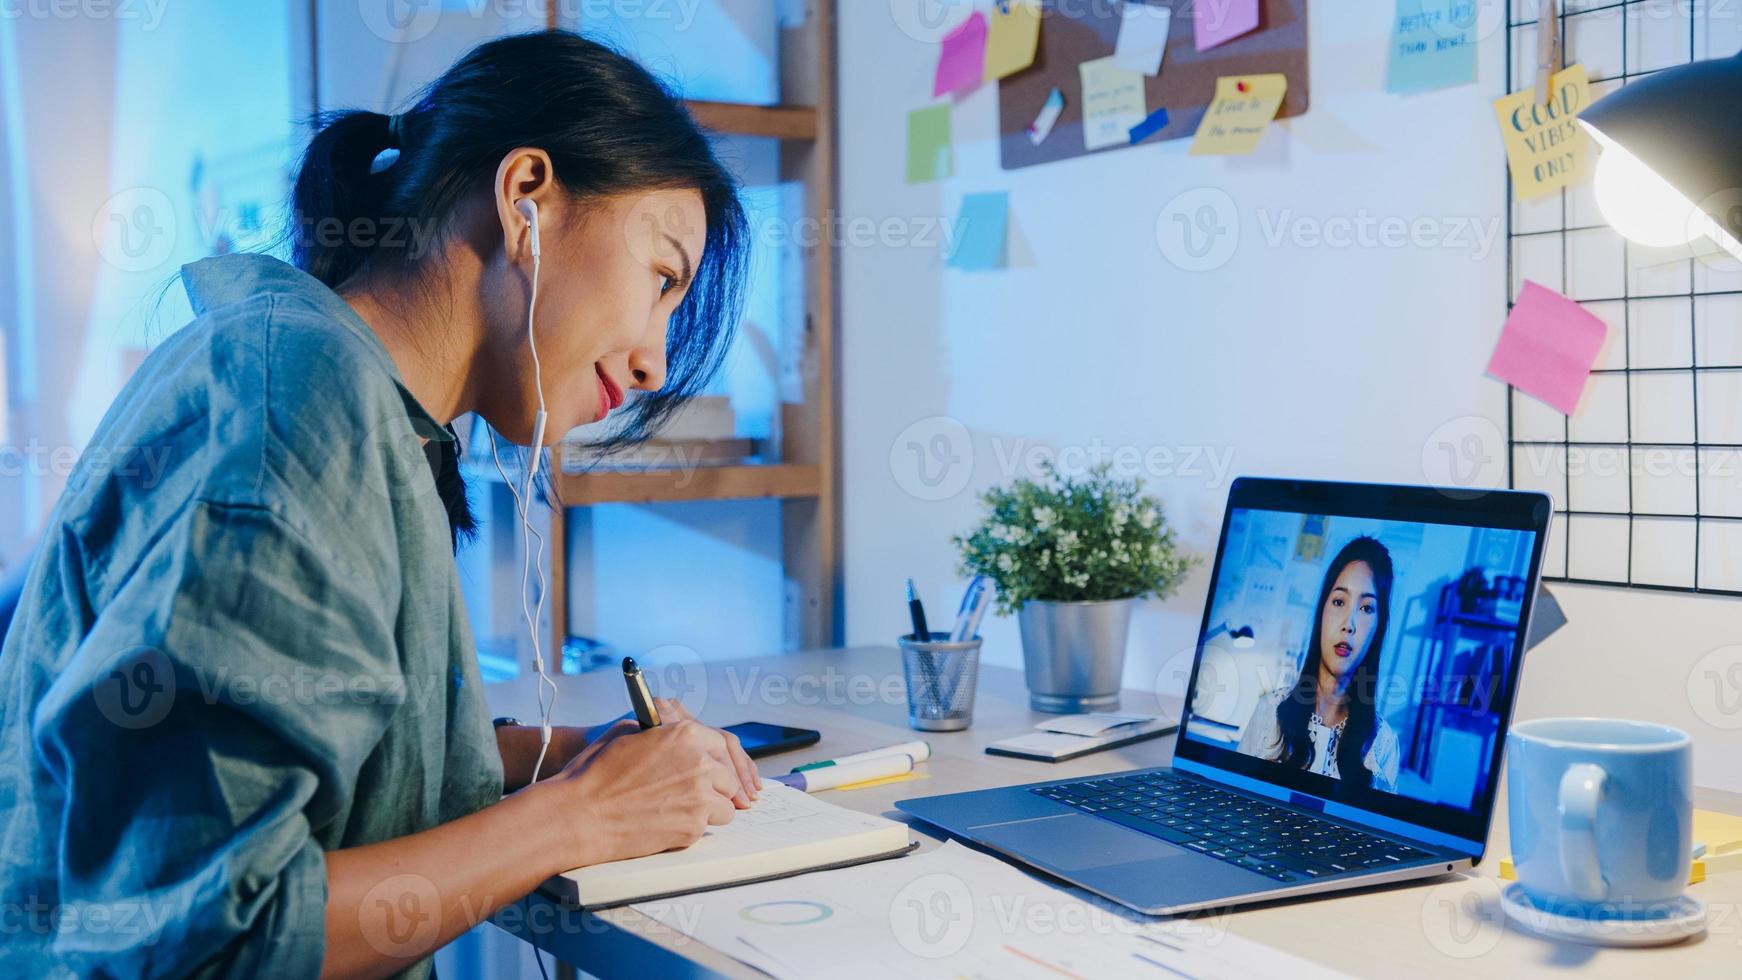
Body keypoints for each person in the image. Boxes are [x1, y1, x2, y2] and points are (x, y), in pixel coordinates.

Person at [0, 32, 762, 979]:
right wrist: (581, 816)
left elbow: (333, 760)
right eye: (662, 278)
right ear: (526, 195)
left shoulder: (353, 398)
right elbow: (212, 940)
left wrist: (555, 758)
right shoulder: (300, 412)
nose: (653, 358)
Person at [1237, 536, 1401, 793]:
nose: (1349, 624)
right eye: (1339, 602)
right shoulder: (1270, 713)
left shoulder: (1382, 743)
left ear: (1378, 628)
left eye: (1366, 608)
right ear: (1322, 611)